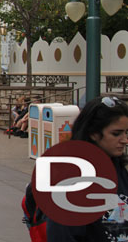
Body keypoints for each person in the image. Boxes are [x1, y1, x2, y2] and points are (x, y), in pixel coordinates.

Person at [46, 96, 128, 241]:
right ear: (94, 133)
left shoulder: (117, 168)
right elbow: (61, 235)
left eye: (126, 133)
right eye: (116, 134)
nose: (124, 140)